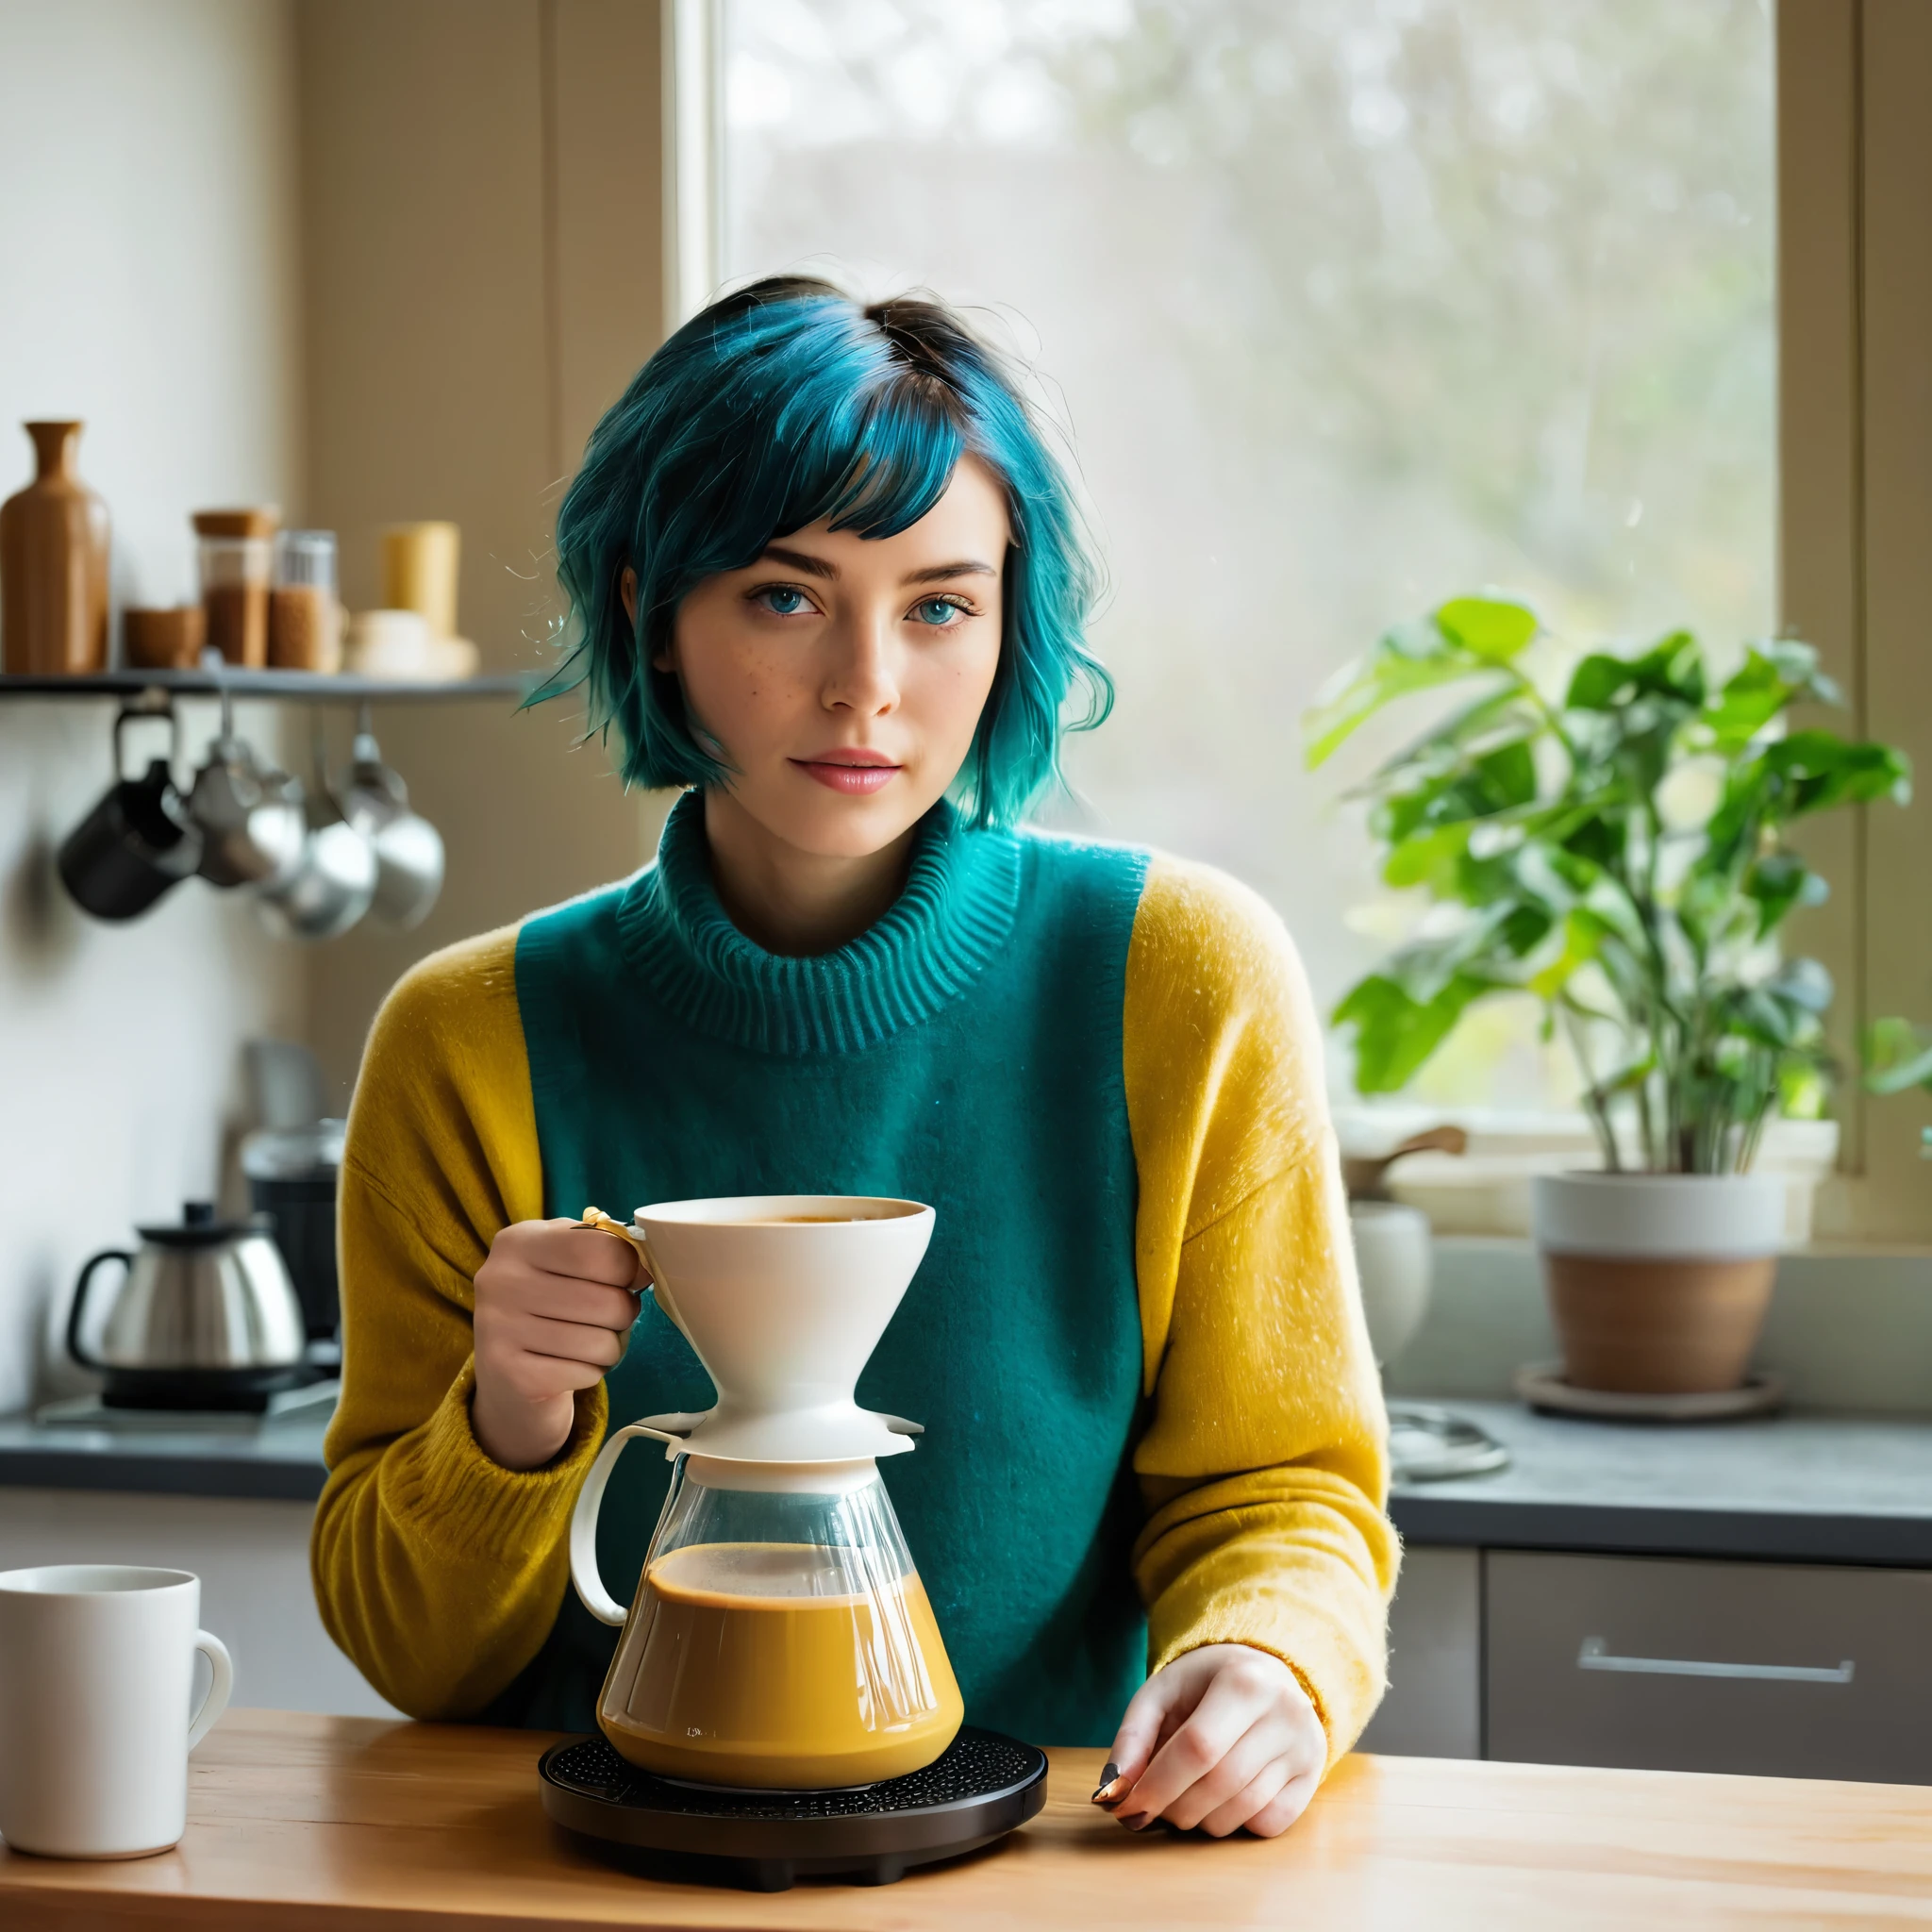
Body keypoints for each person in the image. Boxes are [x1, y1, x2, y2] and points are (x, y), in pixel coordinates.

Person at [312, 277, 1395, 1840]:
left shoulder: (1183, 979)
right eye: (783, 594)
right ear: (645, 611)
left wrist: (1272, 1665)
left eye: (941, 603)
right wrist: (506, 1420)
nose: (869, 684)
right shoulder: (467, 1041)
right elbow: (411, 1662)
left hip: (1062, 1870)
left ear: (1010, 621)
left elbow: (1284, 1492)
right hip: (597, 1878)